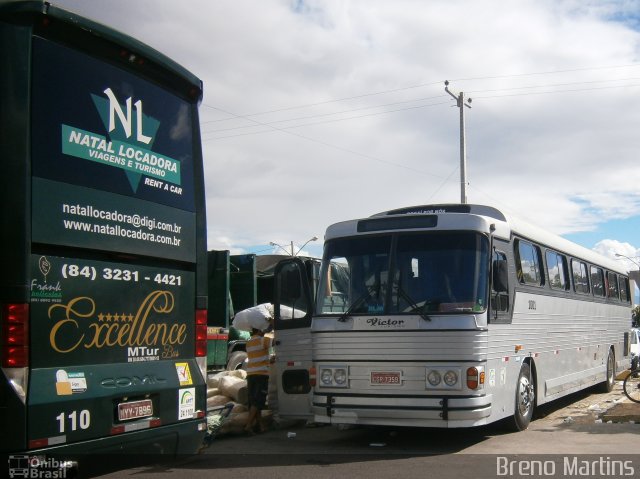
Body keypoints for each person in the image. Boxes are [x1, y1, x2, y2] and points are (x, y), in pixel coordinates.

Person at [244, 323, 273, 435]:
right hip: (261, 375)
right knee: (258, 401)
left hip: (251, 374)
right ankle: (248, 425)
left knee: (254, 402)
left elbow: (257, 357)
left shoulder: (249, 342)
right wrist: (273, 324)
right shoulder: (263, 340)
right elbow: (278, 341)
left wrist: (268, 360)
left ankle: (260, 426)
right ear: (259, 330)